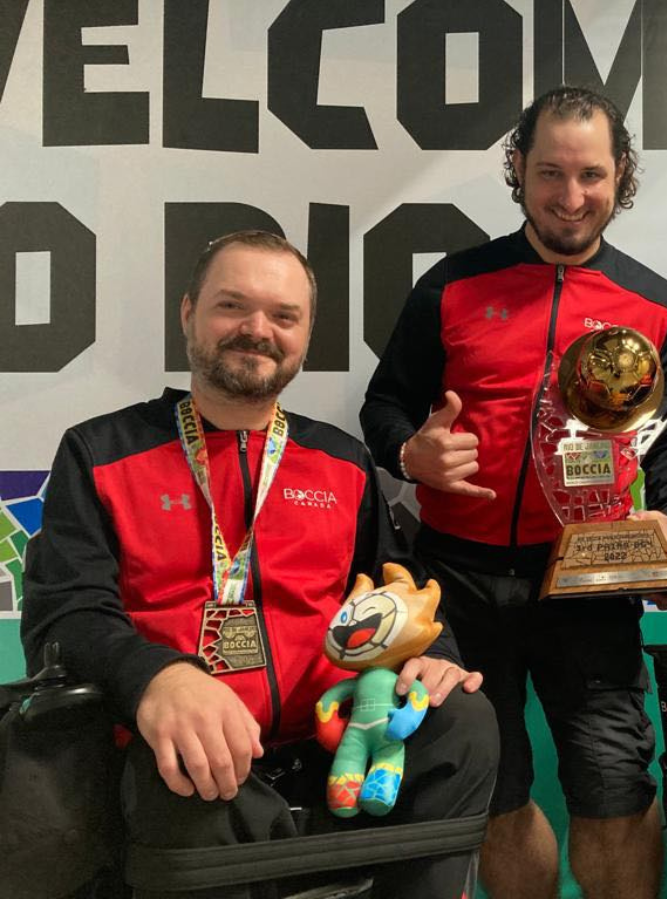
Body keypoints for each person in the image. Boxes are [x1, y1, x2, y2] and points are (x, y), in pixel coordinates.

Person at [20, 230, 499, 899]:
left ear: (305, 335)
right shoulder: (100, 452)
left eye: (283, 316)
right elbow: (64, 615)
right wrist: (159, 679)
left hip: (337, 754)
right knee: (188, 758)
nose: (257, 330)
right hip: (182, 773)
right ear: (188, 313)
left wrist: (435, 650)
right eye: (232, 307)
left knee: (462, 720)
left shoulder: (342, 461)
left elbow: (399, 591)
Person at [359, 86, 667, 899]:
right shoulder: (452, 285)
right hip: (460, 579)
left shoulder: (656, 305)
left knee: (616, 792)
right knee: (496, 795)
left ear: (622, 173)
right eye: (550, 171)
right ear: (517, 169)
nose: (571, 195)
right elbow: (384, 405)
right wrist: (412, 453)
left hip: (590, 581)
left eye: (591, 173)